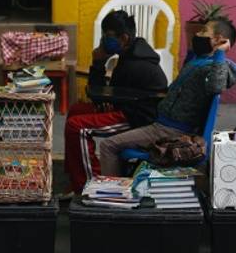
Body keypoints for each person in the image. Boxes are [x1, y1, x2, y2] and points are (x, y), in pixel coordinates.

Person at [90, 17, 236, 177]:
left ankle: (112, 196)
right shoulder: (199, 61)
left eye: (204, 31)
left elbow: (216, 86)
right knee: (118, 141)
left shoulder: (218, 67)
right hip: (162, 125)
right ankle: (124, 186)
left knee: (108, 145)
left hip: (169, 131)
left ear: (219, 40)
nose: (198, 33)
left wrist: (220, 53)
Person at [64, 10, 167, 192]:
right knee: (76, 110)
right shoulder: (132, 53)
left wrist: (97, 63)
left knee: (77, 127)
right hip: (127, 106)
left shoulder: (136, 64)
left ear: (124, 38)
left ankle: (88, 185)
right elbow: (104, 96)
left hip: (138, 118)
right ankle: (73, 173)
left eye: (108, 36)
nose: (104, 40)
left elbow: (98, 95)